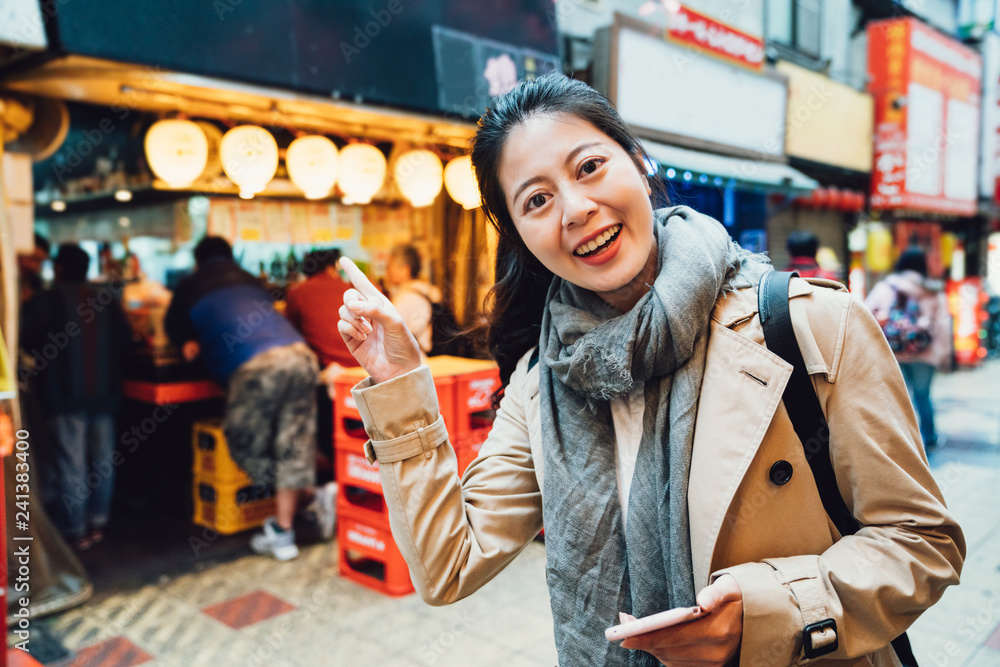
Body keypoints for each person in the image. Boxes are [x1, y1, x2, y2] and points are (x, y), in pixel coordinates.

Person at [334, 74, 963, 666]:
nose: (575, 209)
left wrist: (766, 615)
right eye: (537, 200)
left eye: (589, 167)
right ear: (520, 234)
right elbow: (449, 565)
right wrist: (399, 388)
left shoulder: (807, 323)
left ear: (637, 161)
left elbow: (921, 542)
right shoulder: (541, 380)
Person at [164, 237, 333, 560]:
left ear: (199, 261)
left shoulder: (191, 284)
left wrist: (188, 340)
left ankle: (295, 516)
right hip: (300, 357)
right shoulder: (250, 279)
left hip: (257, 366)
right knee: (292, 448)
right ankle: (297, 514)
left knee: (242, 442)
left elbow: (175, 327)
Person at [20, 244, 130, 551]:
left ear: (58, 268)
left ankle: (75, 529)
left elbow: (22, 335)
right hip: (105, 393)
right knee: (103, 460)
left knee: (72, 463)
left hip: (64, 394)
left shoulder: (46, 300)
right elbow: (125, 340)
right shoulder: (107, 298)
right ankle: (98, 523)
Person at [285, 247, 362, 484]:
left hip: (332, 380)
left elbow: (291, 335)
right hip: (367, 374)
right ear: (331, 268)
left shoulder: (298, 292)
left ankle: (329, 478)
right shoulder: (351, 290)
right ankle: (354, 477)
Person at [865, 247, 952, 450]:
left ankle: (901, 441)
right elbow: (943, 326)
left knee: (897, 398)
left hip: (894, 353)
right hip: (925, 354)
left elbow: (863, 314)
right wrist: (944, 357)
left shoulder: (885, 287)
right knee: (923, 395)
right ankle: (929, 438)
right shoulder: (933, 290)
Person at [384, 244, 441, 355]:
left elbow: (388, 335)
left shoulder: (405, 298)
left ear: (405, 269)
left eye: (390, 266)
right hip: (434, 358)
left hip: (415, 359)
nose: (387, 272)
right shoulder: (430, 291)